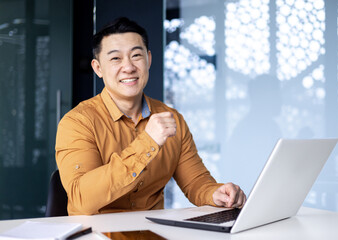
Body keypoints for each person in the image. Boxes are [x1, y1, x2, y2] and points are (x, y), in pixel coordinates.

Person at [55, 17, 246, 215]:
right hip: (96, 234)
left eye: (136, 55)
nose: (128, 67)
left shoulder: (172, 119)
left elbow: (196, 183)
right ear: (98, 68)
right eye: (115, 58)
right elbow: (82, 199)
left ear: (149, 60)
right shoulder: (77, 122)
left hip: (152, 234)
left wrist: (217, 194)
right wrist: (148, 142)